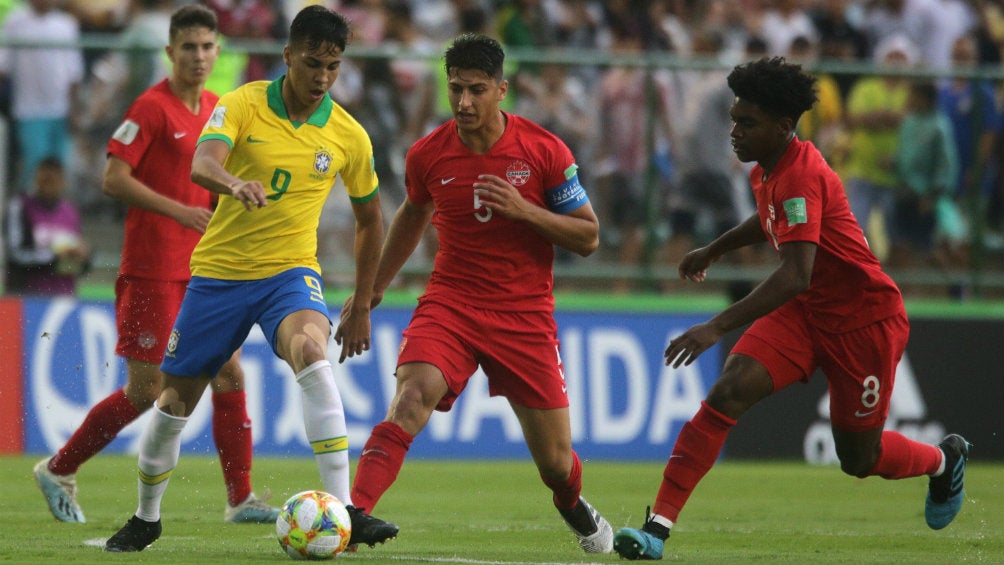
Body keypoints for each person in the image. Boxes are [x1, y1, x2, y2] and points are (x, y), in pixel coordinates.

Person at [612, 57, 971, 561]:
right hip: (805, 314)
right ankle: (657, 530)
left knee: (858, 458)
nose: (734, 131)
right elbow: (768, 219)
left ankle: (942, 460)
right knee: (729, 390)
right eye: (734, 119)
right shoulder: (770, 168)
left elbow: (795, 272)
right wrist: (715, 248)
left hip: (862, 322)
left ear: (782, 127)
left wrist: (715, 326)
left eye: (746, 123)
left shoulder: (802, 175)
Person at [102, 4, 397, 552]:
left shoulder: (348, 135)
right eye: (312, 64)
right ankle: (146, 518)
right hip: (218, 276)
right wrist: (233, 182)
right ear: (288, 56)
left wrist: (362, 301)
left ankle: (345, 512)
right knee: (173, 402)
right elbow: (202, 164)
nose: (322, 78)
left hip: (289, 273)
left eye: (332, 67)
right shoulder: (242, 103)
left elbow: (370, 217)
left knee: (312, 350)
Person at [348, 33, 613, 555]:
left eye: (476, 90)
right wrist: (372, 291)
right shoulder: (428, 154)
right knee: (409, 399)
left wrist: (525, 211)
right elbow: (412, 213)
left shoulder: (544, 151)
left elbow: (589, 236)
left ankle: (573, 506)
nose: (464, 102)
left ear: (501, 90)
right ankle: (354, 518)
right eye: (456, 90)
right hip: (452, 303)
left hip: (524, 316)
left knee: (556, 465)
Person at [31, 4, 278, 527]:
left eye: (208, 46)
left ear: (218, 52)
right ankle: (58, 468)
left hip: (205, 270)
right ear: (170, 52)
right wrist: (180, 209)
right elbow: (113, 179)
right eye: (188, 47)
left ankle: (241, 500)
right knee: (147, 390)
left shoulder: (217, 109)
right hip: (151, 267)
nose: (199, 56)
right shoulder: (150, 107)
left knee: (230, 374)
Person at [0, 0, 84, 193]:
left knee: (60, 166)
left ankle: (56, 219)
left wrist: (74, 109)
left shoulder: (66, 25)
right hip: (30, 110)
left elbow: (74, 72)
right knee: (34, 164)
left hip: (61, 110)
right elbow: (3, 66)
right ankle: (28, 216)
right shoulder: (16, 23)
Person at [5, 155, 91, 295]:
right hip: (27, 298)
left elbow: (76, 260)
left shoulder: (71, 212)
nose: (49, 185)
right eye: (45, 180)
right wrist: (54, 256)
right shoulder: (20, 207)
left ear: (63, 182)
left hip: (63, 298)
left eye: (54, 180)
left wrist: (85, 258)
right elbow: (15, 254)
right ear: (36, 179)